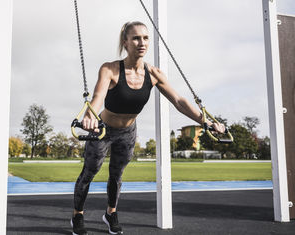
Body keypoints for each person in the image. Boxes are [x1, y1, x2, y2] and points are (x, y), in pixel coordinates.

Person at [70, 21, 225, 235]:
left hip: (127, 132)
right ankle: (78, 215)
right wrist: (90, 116)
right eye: (135, 38)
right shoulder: (110, 69)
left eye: (145, 38)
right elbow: (97, 98)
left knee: (117, 175)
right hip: (102, 130)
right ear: (125, 42)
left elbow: (179, 100)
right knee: (90, 171)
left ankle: (110, 213)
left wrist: (205, 122)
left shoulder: (153, 73)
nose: (141, 42)